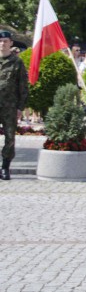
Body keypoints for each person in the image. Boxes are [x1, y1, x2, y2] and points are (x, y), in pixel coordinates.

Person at [0, 31, 29, 180]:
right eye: (0, 41)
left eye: (5, 41)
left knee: (10, 138)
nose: (2, 44)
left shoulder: (17, 62)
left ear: (11, 43)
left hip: (9, 107)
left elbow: (23, 86)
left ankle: (5, 167)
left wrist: (20, 107)